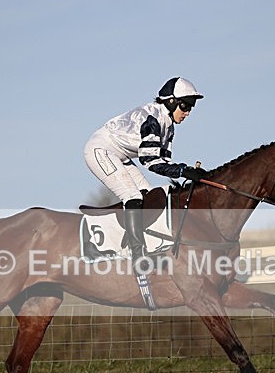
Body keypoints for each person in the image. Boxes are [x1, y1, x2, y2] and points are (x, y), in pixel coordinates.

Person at [83, 77, 210, 261]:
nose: (188, 112)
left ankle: (137, 244)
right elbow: (150, 161)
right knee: (132, 197)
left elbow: (163, 162)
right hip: (100, 150)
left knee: (149, 195)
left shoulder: (169, 126)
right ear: (171, 102)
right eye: (185, 106)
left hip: (120, 155)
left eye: (191, 107)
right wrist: (183, 171)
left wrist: (185, 170)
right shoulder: (154, 120)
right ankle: (136, 253)